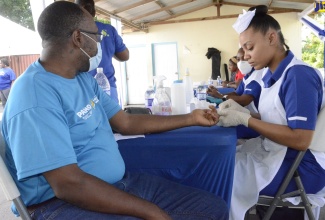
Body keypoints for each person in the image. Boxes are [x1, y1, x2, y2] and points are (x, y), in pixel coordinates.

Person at [1, 2, 228, 220]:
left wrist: (190, 118)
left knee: (212, 209)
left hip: (113, 185)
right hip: (60, 205)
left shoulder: (81, 80)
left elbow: (126, 122)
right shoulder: (35, 97)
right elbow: (69, 184)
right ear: (78, 38)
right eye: (97, 37)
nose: (99, 45)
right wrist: (150, 211)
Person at [218, 5, 325, 220]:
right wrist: (240, 113)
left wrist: (246, 119)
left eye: (249, 47)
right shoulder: (271, 76)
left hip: (303, 168)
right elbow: (276, 119)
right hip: (280, 155)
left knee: (220, 175)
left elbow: (301, 139)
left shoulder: (298, 76)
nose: (245, 57)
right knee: (222, 160)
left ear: (271, 38)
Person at [75, 0, 129, 105]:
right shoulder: (108, 29)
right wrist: (108, 48)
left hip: (81, 89)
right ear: (93, 11)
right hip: (108, 87)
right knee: (114, 120)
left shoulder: (71, 31)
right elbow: (125, 56)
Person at [207, 47, 264, 114]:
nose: (241, 62)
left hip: (256, 116)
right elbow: (236, 93)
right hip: (248, 113)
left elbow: (244, 101)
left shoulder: (256, 76)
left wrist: (220, 96)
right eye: (238, 59)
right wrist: (218, 93)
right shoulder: (247, 76)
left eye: (244, 58)